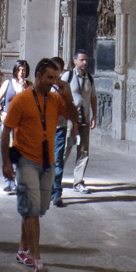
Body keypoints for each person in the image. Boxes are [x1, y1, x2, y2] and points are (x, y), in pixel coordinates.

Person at [0, 57, 77, 272]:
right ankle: (36, 258)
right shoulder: (21, 100)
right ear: (38, 76)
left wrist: (67, 94)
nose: (52, 81)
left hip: (48, 161)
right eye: (49, 77)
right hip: (26, 160)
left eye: (56, 78)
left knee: (37, 209)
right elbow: (6, 132)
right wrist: (6, 162)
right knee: (31, 209)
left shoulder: (55, 99)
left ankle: (22, 250)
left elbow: (73, 116)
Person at [56, 51, 98, 199]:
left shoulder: (90, 79)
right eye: (82, 60)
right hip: (69, 121)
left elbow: (93, 97)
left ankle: (78, 182)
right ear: (75, 62)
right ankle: (56, 180)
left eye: (86, 60)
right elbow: (59, 96)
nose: (84, 63)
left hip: (84, 120)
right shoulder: (67, 77)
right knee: (65, 150)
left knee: (83, 151)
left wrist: (94, 115)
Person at [0, 60, 31, 192]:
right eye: (19, 70)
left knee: (18, 150)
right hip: (8, 120)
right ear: (15, 71)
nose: (22, 72)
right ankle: (7, 180)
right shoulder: (8, 83)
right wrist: (1, 112)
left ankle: (15, 180)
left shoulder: (29, 85)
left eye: (24, 70)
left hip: (22, 123)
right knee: (7, 149)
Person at [48, 56, 77, 207]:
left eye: (57, 69)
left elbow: (71, 106)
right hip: (45, 128)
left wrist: (64, 93)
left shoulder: (65, 85)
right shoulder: (44, 85)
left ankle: (57, 193)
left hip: (60, 127)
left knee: (58, 160)